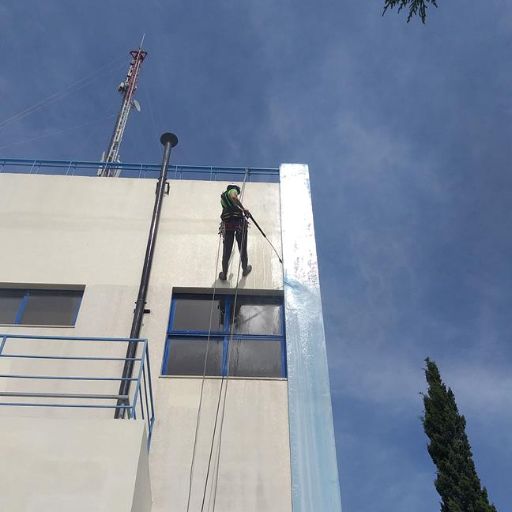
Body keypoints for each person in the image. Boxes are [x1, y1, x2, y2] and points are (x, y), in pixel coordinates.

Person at [218, 184, 252, 281]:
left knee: (226, 251)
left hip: (228, 226)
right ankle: (245, 269)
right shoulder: (233, 191)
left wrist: (241, 209)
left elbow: (229, 208)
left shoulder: (222, 199)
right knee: (242, 248)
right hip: (239, 225)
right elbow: (234, 197)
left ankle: (224, 274)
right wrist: (244, 209)